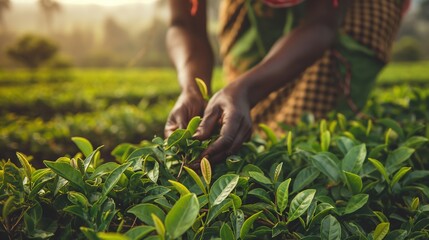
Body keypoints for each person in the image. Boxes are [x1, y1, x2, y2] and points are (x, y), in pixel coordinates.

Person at [164, 0, 409, 163]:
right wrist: (191, 89)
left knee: (308, 139)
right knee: (245, 110)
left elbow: (322, 21)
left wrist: (246, 89)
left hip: (349, 9)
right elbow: (185, 23)